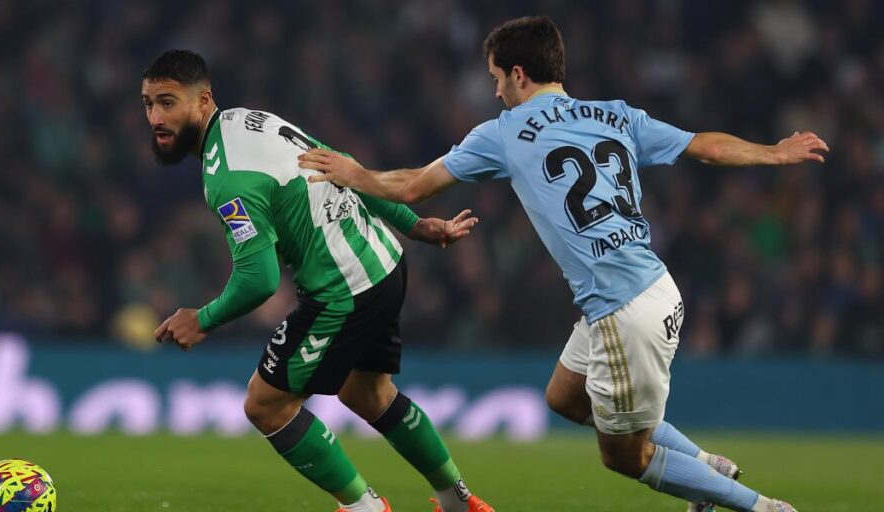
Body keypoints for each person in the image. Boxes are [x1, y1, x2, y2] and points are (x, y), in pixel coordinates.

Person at [299, 16, 829, 512]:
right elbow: (704, 146)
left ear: (519, 74)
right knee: (565, 397)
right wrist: (772, 152)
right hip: (654, 286)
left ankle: (760, 507)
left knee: (624, 456)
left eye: (497, 78)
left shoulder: (504, 132)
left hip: (623, 310)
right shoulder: (616, 115)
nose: (496, 91)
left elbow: (413, 185)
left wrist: (355, 173)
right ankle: (708, 466)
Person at [142, 49, 494, 512]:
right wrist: (411, 224)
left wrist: (202, 318)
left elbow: (260, 278)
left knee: (264, 405)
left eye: (168, 102)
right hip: (384, 262)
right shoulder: (251, 120)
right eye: (148, 103)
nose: (155, 117)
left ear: (203, 100)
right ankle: (459, 502)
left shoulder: (225, 176)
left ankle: (364, 507)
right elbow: (339, 162)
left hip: (342, 290)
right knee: (368, 393)